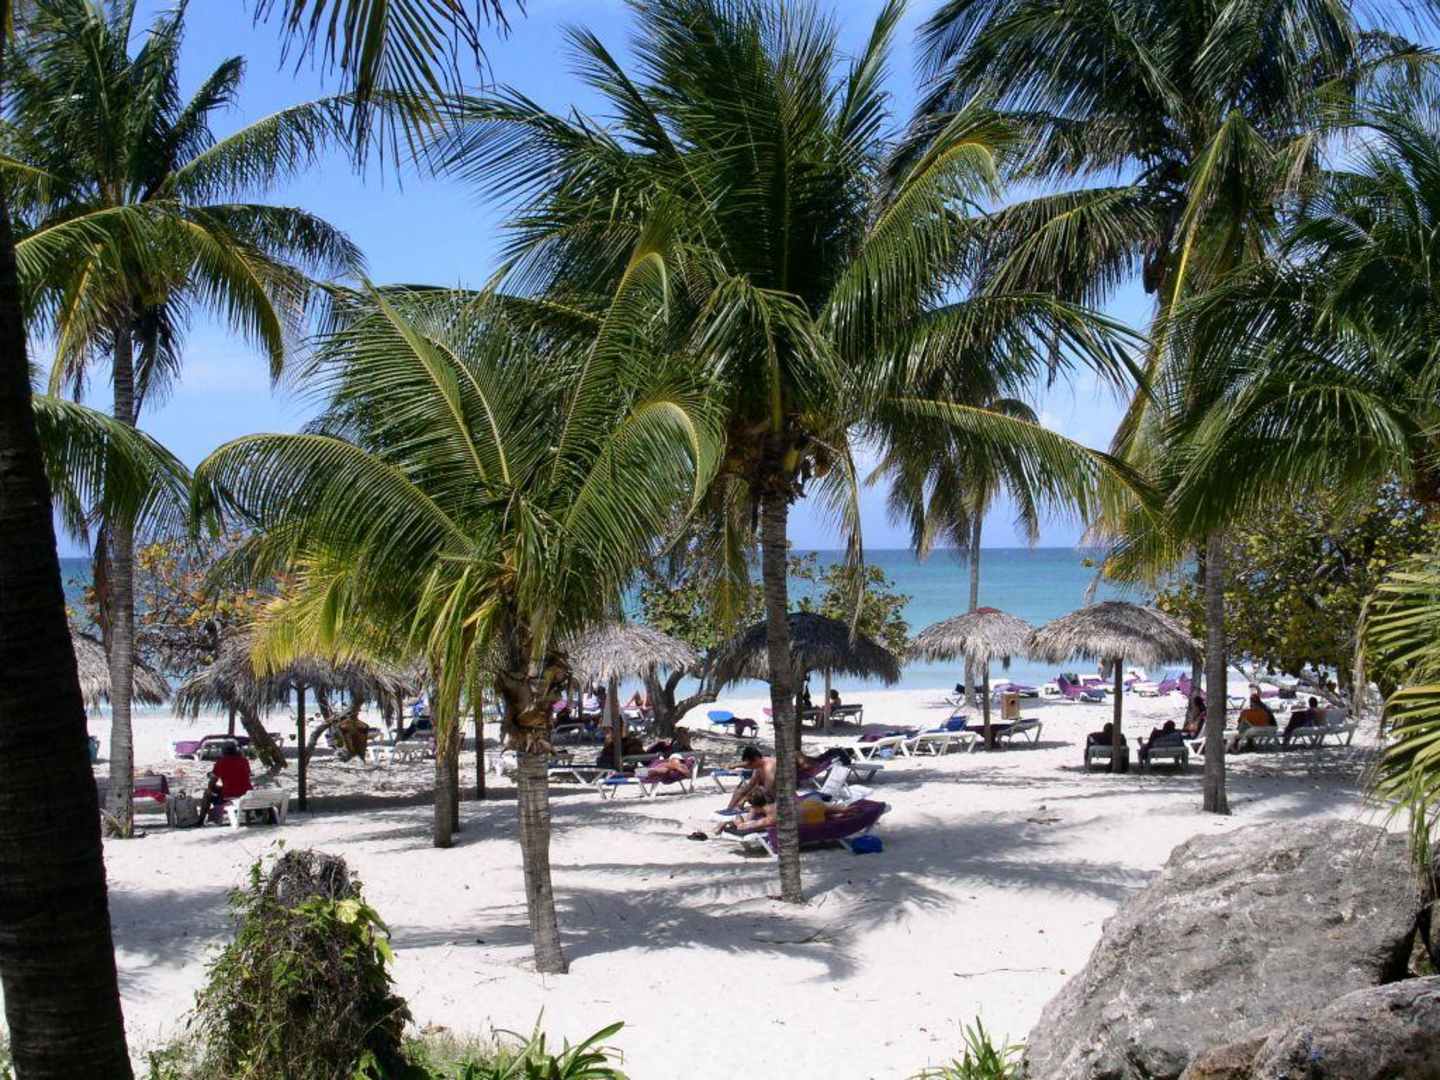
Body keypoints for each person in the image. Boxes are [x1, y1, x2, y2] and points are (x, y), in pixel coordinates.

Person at [198, 742, 252, 825]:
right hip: (246, 793)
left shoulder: (221, 762)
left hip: (230, 794)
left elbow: (213, 780)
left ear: (223, 751)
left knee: (207, 793)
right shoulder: (244, 761)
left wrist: (211, 788)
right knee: (221, 788)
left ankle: (201, 820)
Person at [725, 746, 777, 810]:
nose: (749, 766)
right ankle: (729, 809)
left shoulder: (768, 767)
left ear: (756, 758)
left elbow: (767, 790)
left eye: (750, 764)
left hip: (775, 794)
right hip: (766, 791)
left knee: (758, 792)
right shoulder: (758, 764)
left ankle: (760, 809)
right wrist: (734, 766)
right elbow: (750, 785)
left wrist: (745, 799)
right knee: (740, 791)